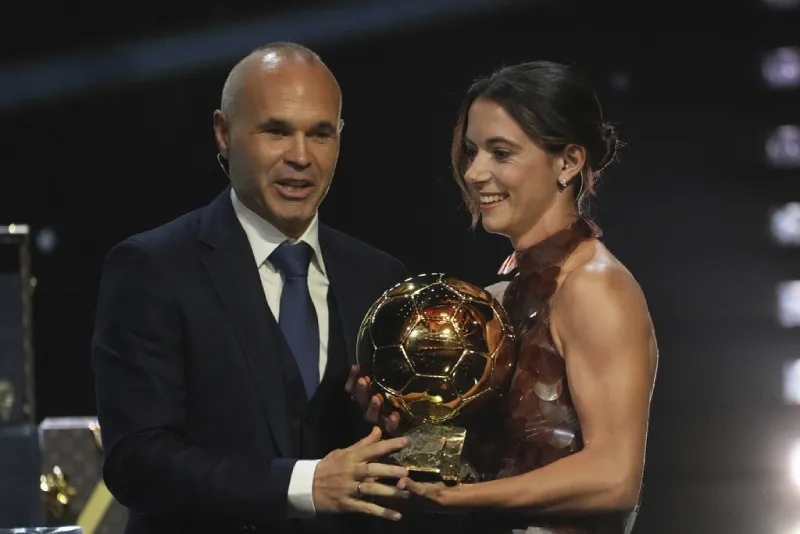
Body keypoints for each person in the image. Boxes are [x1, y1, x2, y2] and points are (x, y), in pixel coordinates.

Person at [91, 42, 413, 534]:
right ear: (223, 133)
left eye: (320, 134)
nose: (301, 157)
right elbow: (137, 461)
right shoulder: (153, 268)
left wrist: (394, 427)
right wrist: (304, 484)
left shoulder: (380, 276)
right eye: (277, 131)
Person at [346, 60, 658, 533]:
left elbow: (614, 477)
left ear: (569, 162)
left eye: (501, 153)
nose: (474, 173)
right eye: (472, 152)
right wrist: (410, 427)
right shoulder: (501, 297)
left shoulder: (595, 287)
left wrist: (460, 498)